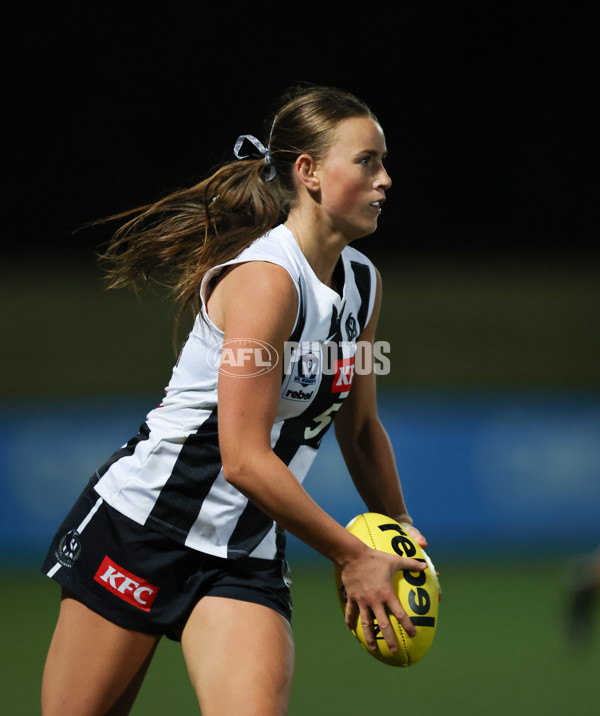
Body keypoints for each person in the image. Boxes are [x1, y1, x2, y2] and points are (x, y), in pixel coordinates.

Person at [41, 84, 430, 716]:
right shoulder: (267, 282)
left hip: (243, 552)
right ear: (308, 173)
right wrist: (351, 554)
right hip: (144, 530)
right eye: (367, 161)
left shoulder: (363, 285)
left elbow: (359, 433)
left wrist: (402, 531)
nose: (386, 179)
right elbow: (242, 460)